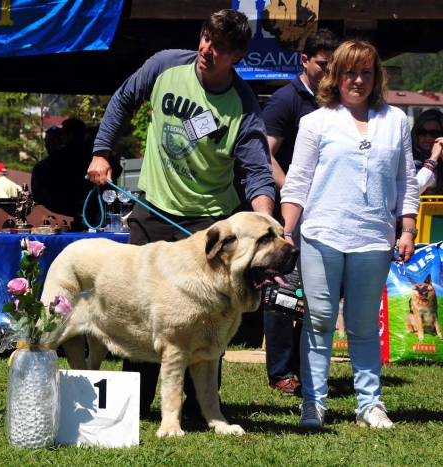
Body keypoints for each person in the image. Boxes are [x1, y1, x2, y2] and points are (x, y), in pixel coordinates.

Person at [87, 9, 275, 418]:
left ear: (236, 57)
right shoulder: (166, 64)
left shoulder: (243, 105)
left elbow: (258, 172)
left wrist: (268, 227)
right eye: (207, 37)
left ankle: (201, 409)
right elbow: (123, 99)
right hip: (152, 209)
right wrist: (102, 150)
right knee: (144, 309)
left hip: (207, 224)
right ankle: (132, 406)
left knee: (209, 316)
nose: (207, 49)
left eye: (220, 46)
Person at [281, 39, 419, 429]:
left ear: (376, 77)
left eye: (366, 72)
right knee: (320, 320)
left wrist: (406, 227)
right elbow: (297, 183)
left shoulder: (396, 121)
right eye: (349, 72)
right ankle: (313, 404)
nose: (357, 80)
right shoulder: (315, 121)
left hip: (374, 238)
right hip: (321, 234)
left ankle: (369, 405)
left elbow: (406, 180)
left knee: (361, 324)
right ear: (335, 75)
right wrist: (285, 232)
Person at [260, 29, 340, 395]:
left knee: (317, 293)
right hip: (290, 216)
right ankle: (280, 372)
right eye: (323, 64)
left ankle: (306, 366)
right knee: (283, 292)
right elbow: (265, 153)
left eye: (333, 65)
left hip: (327, 215)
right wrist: (292, 191)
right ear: (304, 61)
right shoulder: (285, 100)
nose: (329, 71)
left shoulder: (336, 103)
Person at [32, 118, 106, 229]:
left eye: (63, 134)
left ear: (71, 135)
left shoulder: (56, 160)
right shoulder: (96, 155)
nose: (61, 138)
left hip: (65, 212)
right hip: (93, 211)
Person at [410, 109, 443, 194]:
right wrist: (433, 159)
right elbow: (412, 191)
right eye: (422, 132)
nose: (427, 137)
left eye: (434, 133)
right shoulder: (407, 156)